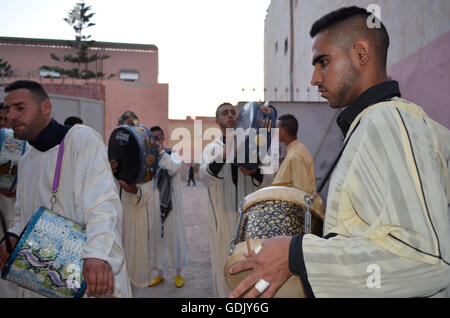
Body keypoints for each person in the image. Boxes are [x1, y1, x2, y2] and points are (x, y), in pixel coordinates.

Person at [229, 6, 450, 298]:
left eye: (323, 62)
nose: (314, 79)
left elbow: (424, 257)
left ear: (361, 53)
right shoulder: (373, 123)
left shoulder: (388, 122)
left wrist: (296, 255)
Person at [0, 80, 132, 298]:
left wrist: (98, 254)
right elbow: (22, 213)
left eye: (20, 108)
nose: (11, 116)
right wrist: (13, 236)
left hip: (87, 274)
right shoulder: (26, 161)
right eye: (9, 110)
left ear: (46, 108)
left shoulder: (81, 141)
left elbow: (103, 204)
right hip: (45, 279)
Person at [199, 102, 272, 297]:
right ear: (217, 121)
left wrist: (254, 171)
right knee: (224, 263)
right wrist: (225, 153)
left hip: (248, 217)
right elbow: (204, 176)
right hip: (222, 216)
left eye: (233, 112)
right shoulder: (212, 149)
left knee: (249, 261)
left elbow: (267, 177)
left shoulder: (252, 144)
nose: (230, 115)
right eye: (225, 113)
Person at [110, 111, 153, 288]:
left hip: (134, 216)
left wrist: (133, 189)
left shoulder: (146, 155)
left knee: (135, 265)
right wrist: (108, 171)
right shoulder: (110, 152)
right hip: (113, 218)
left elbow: (148, 189)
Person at [148, 125, 188, 288]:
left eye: (158, 137)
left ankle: (179, 273)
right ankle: (160, 274)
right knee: (157, 238)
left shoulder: (172, 154)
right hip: (154, 203)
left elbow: (173, 169)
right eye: (153, 138)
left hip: (172, 202)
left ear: (163, 138)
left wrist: (161, 153)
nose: (156, 140)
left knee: (174, 236)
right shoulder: (148, 157)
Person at [0, 102, 19, 298]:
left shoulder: (17, 146)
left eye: (6, 119)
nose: (4, 124)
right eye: (0, 119)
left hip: (10, 225)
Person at [271, 114, 317, 195]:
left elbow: (301, 192)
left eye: (275, 129)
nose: (273, 133)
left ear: (283, 132)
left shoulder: (295, 155)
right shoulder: (295, 150)